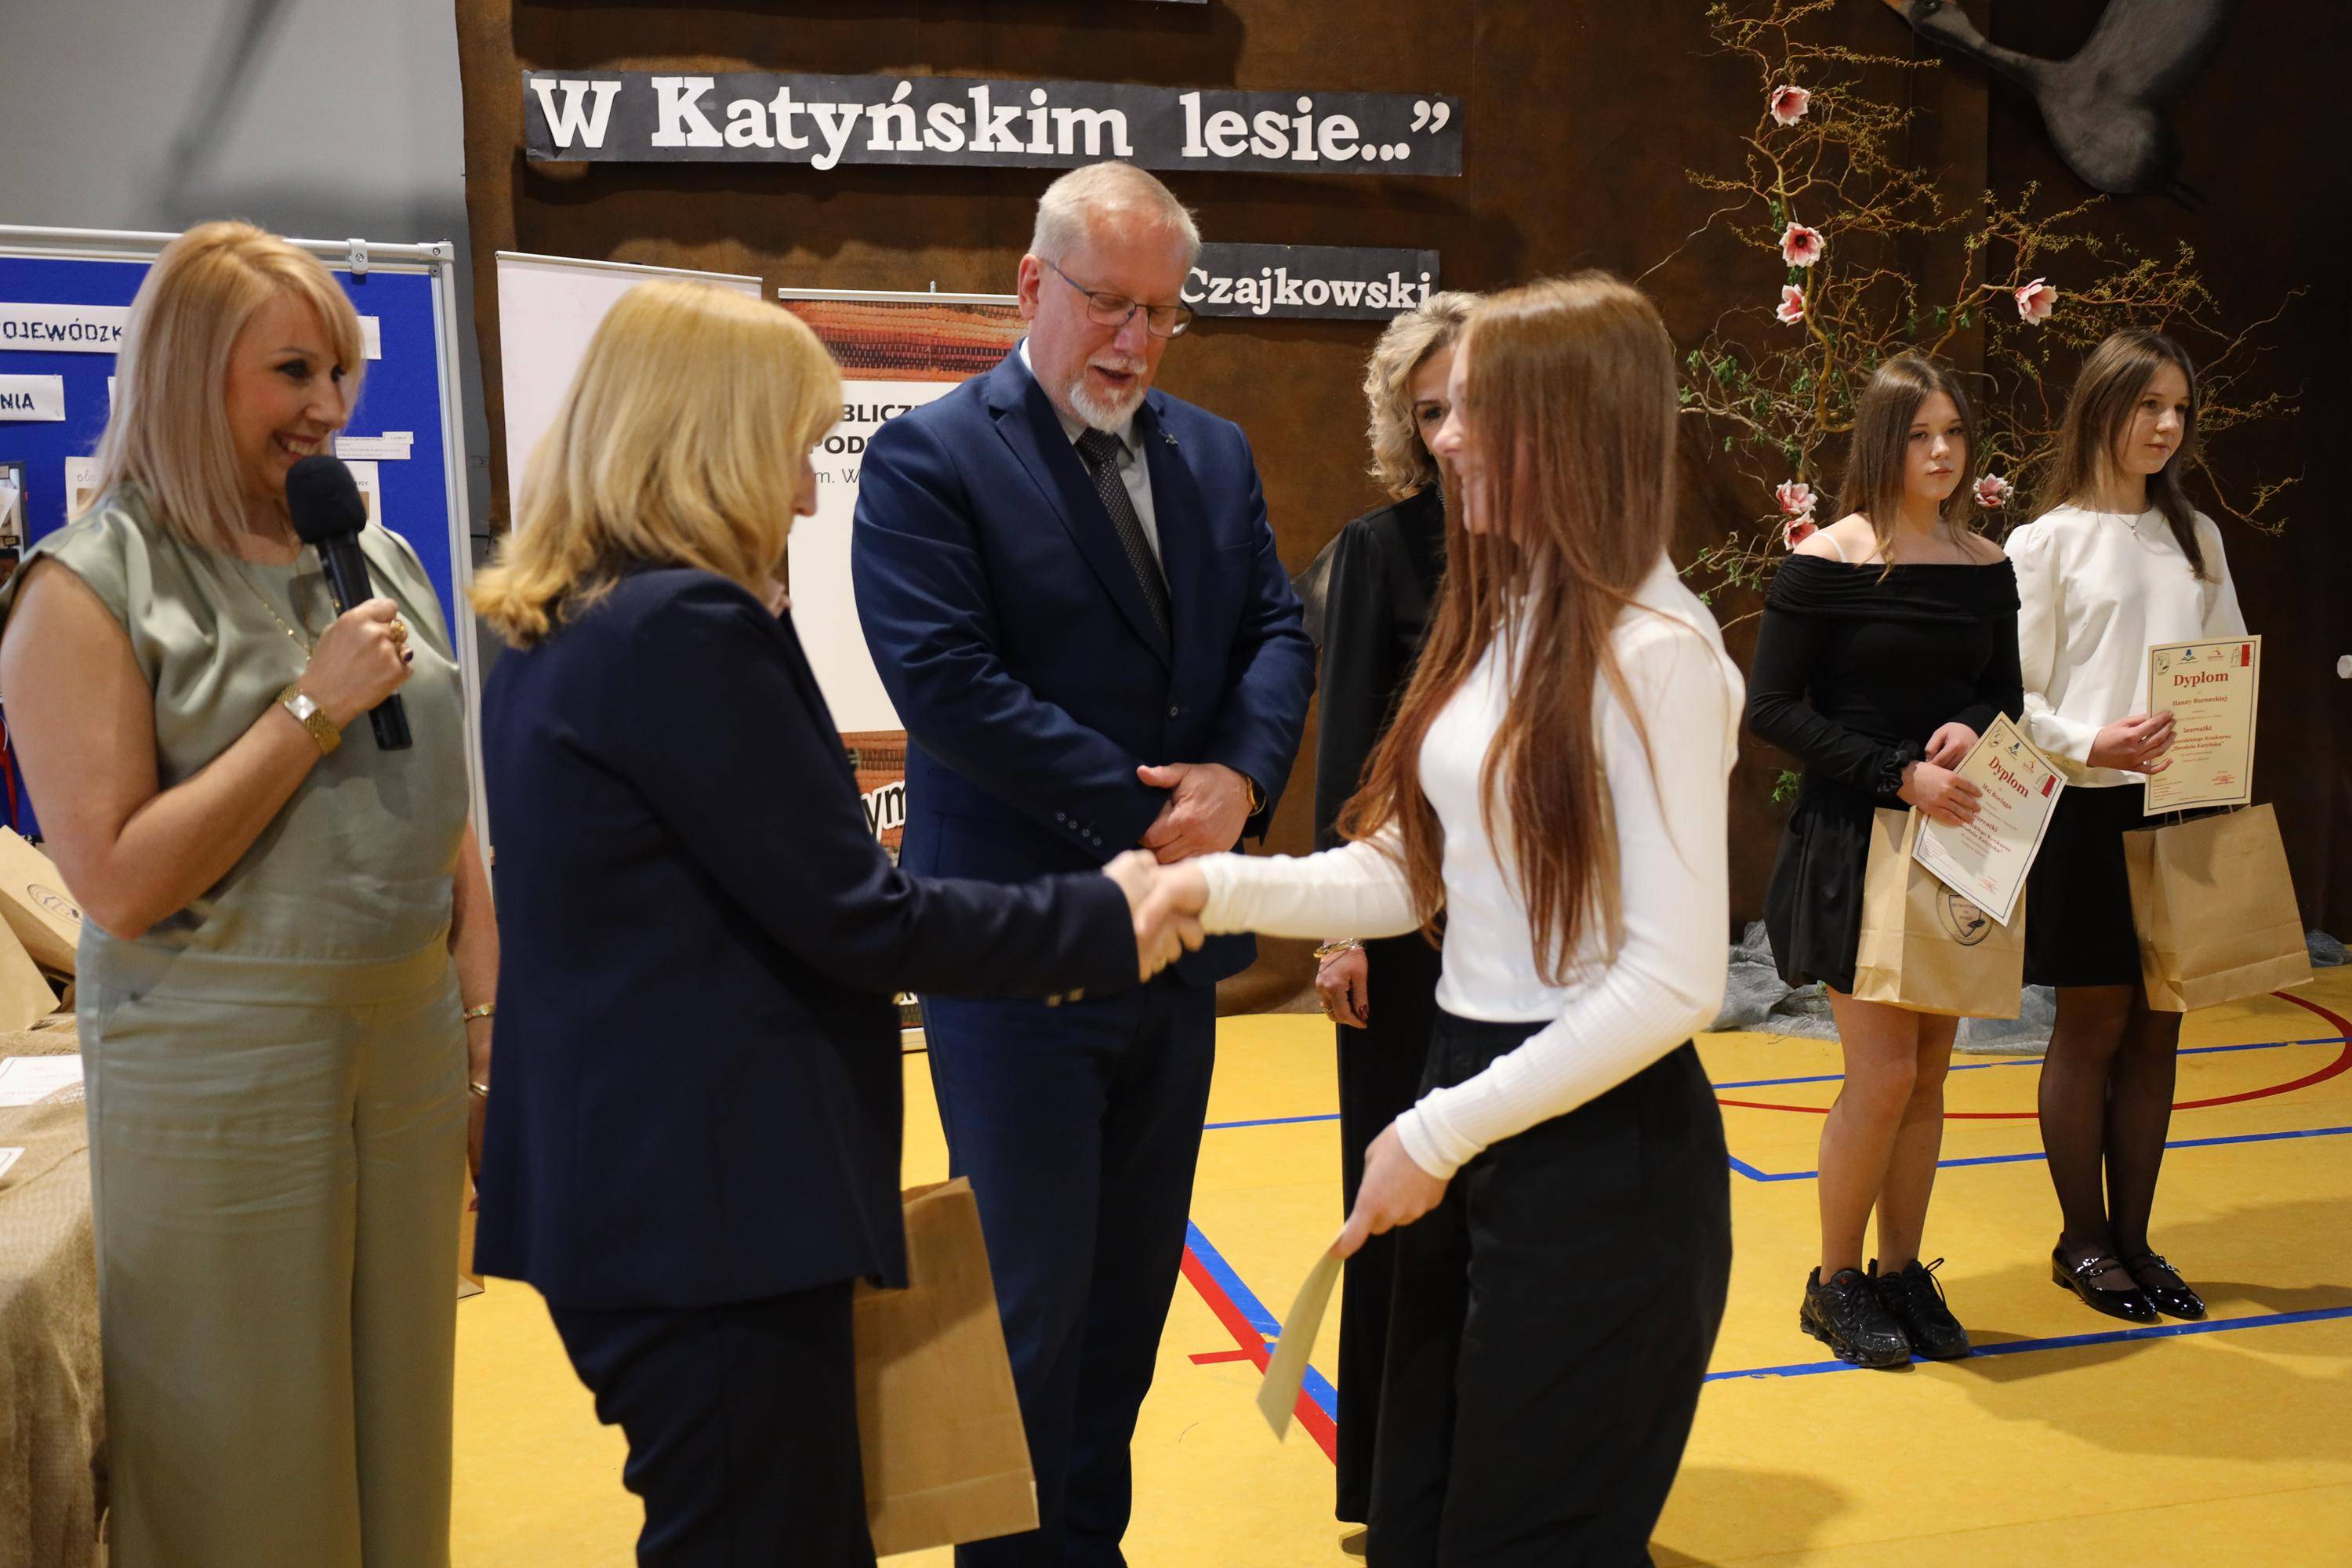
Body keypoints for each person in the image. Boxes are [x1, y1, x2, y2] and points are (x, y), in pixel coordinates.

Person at [470, 279, 1198, 1568]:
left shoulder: (568, 617)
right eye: (797, 452)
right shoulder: (683, 629)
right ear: (714, 446)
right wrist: (1101, 921)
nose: (809, 495)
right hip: (709, 1215)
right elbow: (857, 915)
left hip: (636, 1195)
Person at [1150, 274, 1740, 1565]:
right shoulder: (1513, 611)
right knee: (1418, 1517)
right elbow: (1416, 871)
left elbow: (1675, 982)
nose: (1448, 439)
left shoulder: (1659, 652)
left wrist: (1439, 1129)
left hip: (1593, 1149)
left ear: (1572, 424)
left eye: (1478, 410)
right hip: (1472, 1096)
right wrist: (1209, 888)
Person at [0, 220, 495, 1568]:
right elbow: (115, 881)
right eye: (293, 372)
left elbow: (445, 810)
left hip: (404, 1045)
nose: (329, 406)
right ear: (189, 372)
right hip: (219, 1067)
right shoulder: (86, 587)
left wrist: (482, 1027)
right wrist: (307, 711)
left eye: (340, 372)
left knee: (401, 1420)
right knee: (244, 1451)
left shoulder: (371, 555)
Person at [851, 161, 1315, 1567]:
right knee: (1026, 1306)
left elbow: (1277, 631)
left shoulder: (1214, 452)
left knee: (1124, 1305)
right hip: (1018, 951)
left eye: (1164, 313)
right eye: (1110, 304)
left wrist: (1241, 782)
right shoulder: (930, 459)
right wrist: (1157, 814)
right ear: (1030, 285)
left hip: (1175, 950)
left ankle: (1084, 1550)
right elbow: (949, 687)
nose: (1136, 339)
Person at [1744, 354, 2020, 1367]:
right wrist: (1898, 772)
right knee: (1886, 1072)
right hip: (1855, 839)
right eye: (1920, 435)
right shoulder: (1826, 560)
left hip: (1954, 840)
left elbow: (2007, 694)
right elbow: (1771, 709)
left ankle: (1902, 1273)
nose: (1942, 452)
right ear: (1882, 442)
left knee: (1932, 1073)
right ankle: (1835, 1283)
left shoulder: (1987, 563)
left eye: (1954, 432)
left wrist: (1971, 727)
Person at [2010, 328, 2245, 1323]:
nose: (2166, 425)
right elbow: (2014, 698)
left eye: (2179, 408)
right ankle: (2082, 1239)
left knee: (2160, 1028)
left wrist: (2222, 762)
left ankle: (2138, 1239)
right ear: (2101, 407)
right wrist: (2092, 740)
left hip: (2184, 806)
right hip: (2084, 809)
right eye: (2149, 404)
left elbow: (2228, 663)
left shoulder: (2198, 537)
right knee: (2094, 1024)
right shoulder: (2046, 541)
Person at [1308, 290, 1474, 1526]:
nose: (1453, 430)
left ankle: (1499, 1475)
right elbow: (1350, 758)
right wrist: (1340, 929)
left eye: (1474, 401)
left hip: (1538, 937)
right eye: (1429, 411)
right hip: (1404, 931)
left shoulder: (1569, 543)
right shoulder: (1378, 550)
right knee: (1399, 1200)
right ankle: (1395, 1485)